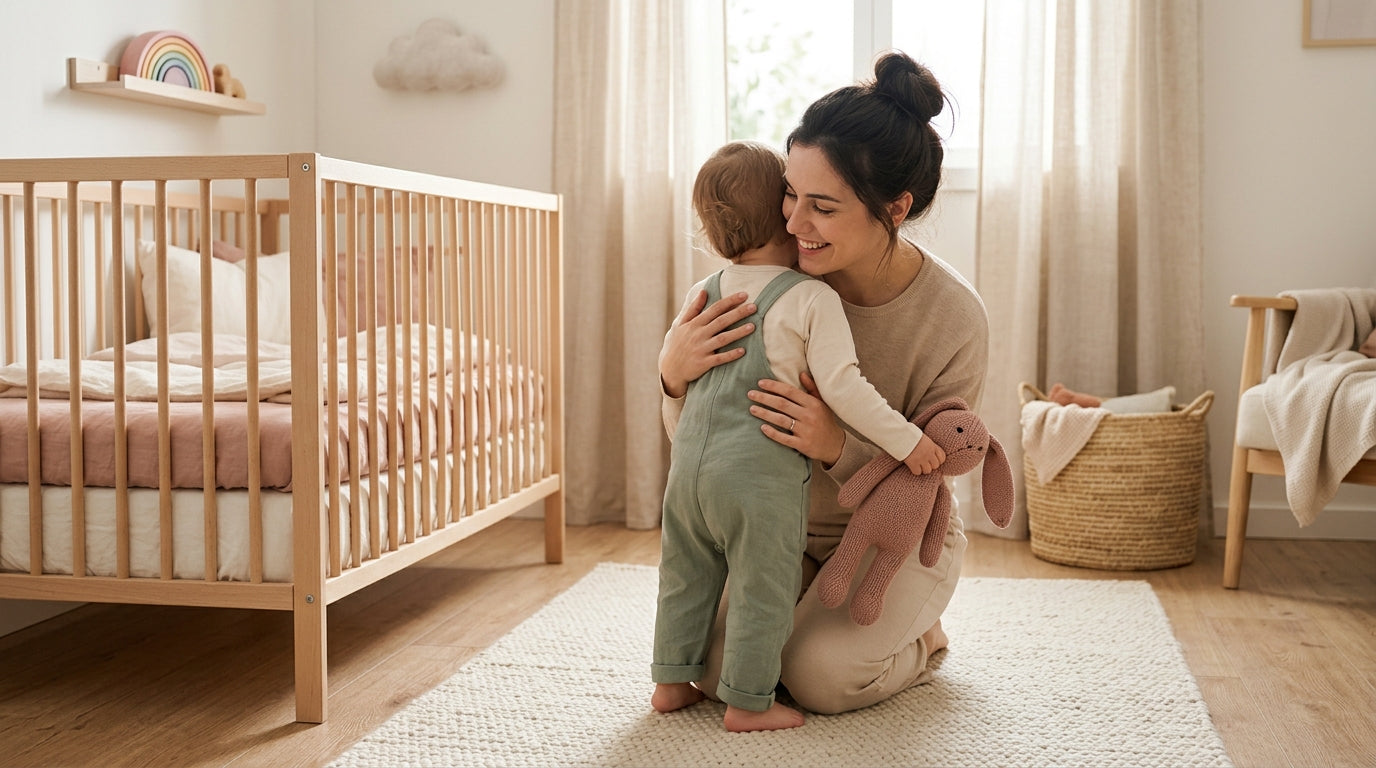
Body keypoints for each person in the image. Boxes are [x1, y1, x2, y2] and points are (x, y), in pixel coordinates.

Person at [657, 51, 990, 717]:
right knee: (720, 670)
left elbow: (933, 471)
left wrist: (836, 444)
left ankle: (920, 636)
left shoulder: (954, 317)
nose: (791, 224)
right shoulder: (769, 284)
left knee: (818, 680)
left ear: (894, 207)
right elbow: (701, 438)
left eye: (823, 207)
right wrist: (673, 376)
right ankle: (815, 613)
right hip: (774, 525)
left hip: (890, 533)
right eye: (790, 194)